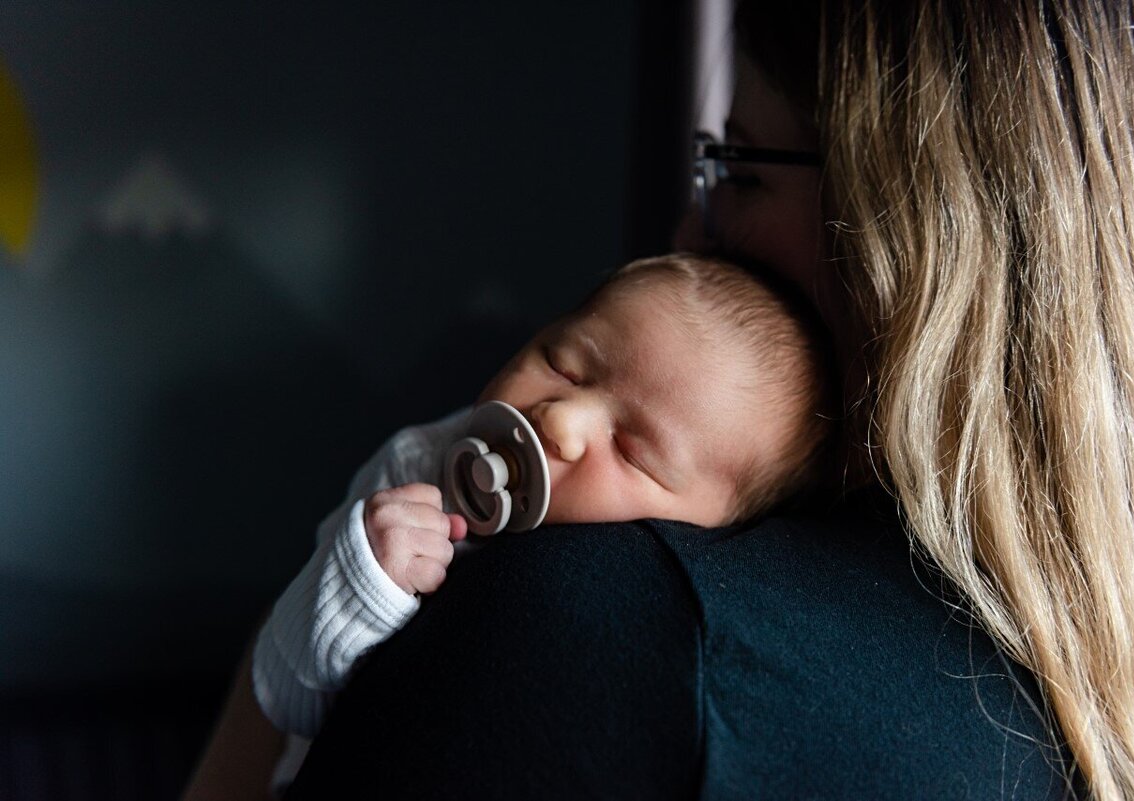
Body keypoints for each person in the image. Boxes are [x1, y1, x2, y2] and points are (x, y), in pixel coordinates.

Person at [187, 1, 1134, 799]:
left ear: (911, 230)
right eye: (569, 363)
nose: (689, 225)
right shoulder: (1104, 689)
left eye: (742, 169)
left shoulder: (599, 624)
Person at [252, 253, 833, 789]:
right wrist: (362, 578)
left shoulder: (665, 602)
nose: (560, 420)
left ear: (712, 533)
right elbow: (281, 699)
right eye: (563, 364)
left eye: (631, 452)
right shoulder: (414, 471)